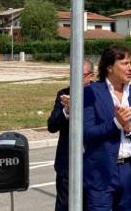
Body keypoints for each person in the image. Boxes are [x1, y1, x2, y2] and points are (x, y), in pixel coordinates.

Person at [83, 46, 131, 211]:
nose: (130, 68)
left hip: (129, 170)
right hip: (101, 171)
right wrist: (116, 123)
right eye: (124, 63)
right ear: (109, 67)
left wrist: (129, 127)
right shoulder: (91, 93)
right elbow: (87, 132)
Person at [47, 59, 95, 211]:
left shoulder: (99, 94)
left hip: (92, 165)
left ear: (91, 76)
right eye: (72, 75)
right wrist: (66, 111)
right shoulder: (63, 94)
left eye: (79, 75)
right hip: (67, 166)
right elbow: (52, 126)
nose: (74, 79)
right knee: (64, 206)